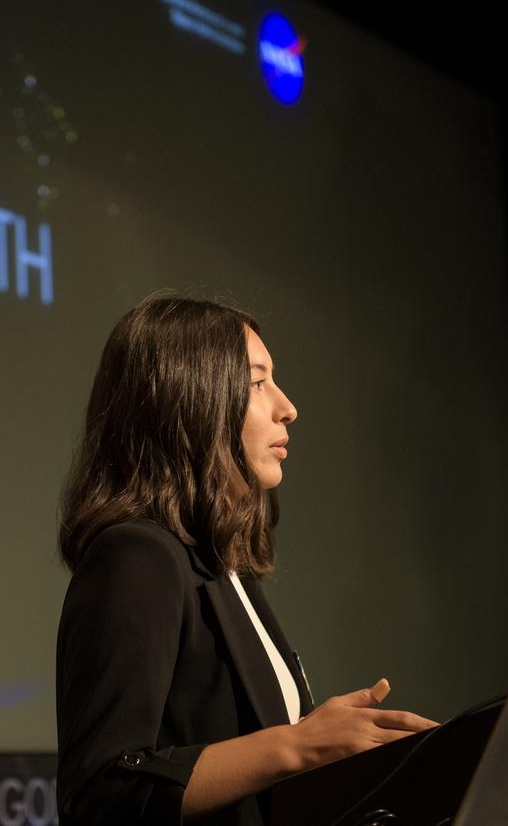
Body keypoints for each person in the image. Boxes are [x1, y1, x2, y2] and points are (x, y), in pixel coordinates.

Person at [55, 295, 435, 825]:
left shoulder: (222, 564)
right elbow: (101, 793)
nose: (288, 406)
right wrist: (298, 746)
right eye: (258, 383)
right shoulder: (137, 555)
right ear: (192, 398)